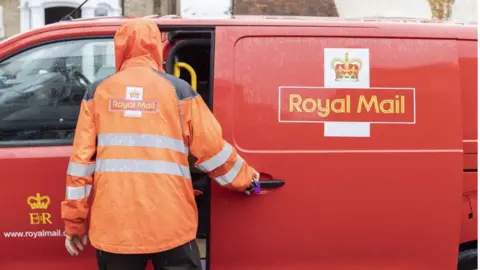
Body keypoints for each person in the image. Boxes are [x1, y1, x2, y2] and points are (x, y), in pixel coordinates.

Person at [61, 18, 260, 270]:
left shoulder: (97, 93)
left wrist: (75, 223)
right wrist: (247, 180)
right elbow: (212, 150)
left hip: (115, 228)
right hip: (170, 225)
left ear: (119, 47)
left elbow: (80, 166)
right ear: (156, 46)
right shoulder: (179, 91)